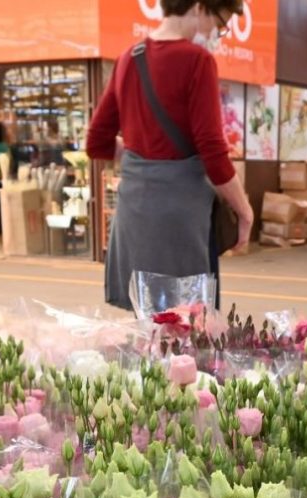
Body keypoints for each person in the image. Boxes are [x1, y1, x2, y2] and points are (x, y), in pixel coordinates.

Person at [85, 0, 254, 310]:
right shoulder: (197, 60)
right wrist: (244, 211)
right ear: (200, 7)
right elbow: (213, 152)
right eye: (219, 24)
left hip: (135, 212)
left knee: (145, 325)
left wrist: (140, 155)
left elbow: (96, 142)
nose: (217, 33)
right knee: (184, 327)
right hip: (179, 218)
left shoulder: (129, 59)